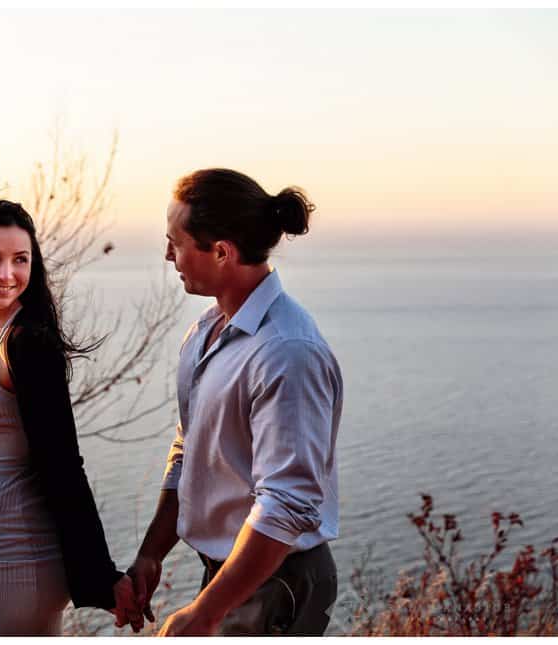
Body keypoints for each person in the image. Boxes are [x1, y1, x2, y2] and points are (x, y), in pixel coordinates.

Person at [127, 169, 343, 636]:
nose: (168, 255)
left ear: (222, 252)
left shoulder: (286, 352)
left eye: (177, 243)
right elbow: (188, 449)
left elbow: (287, 504)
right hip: (231, 578)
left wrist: (206, 612)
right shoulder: (207, 332)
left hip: (277, 583)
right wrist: (151, 552)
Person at [0, 198, 140, 636]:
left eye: (21, 260)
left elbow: (63, 464)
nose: (7, 274)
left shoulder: (27, 343)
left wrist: (102, 576)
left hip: (20, 564)